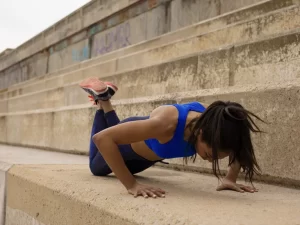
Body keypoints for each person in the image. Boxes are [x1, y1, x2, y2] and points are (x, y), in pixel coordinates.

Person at [80, 77, 264, 199]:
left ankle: (104, 101)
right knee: (96, 168)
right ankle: (102, 101)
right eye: (209, 155)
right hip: (127, 148)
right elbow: (102, 139)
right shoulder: (166, 124)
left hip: (145, 158)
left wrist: (230, 179)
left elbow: (239, 143)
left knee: (123, 157)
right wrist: (132, 185)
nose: (210, 160)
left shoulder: (216, 119)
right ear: (200, 133)